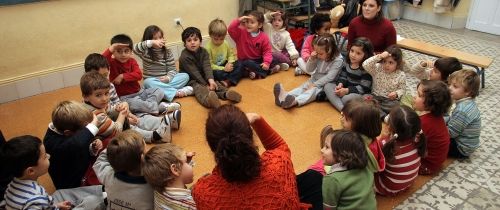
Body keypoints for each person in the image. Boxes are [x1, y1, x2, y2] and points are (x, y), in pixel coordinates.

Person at [192, 105, 308, 209]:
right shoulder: (279, 165)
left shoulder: (203, 193)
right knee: (313, 177)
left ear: (211, 146)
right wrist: (257, 119)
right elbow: (280, 147)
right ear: (250, 136)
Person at [84, 53, 180, 143]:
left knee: (137, 116)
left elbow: (116, 104)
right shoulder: (93, 110)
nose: (105, 98)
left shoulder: (109, 86)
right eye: (99, 95)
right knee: (131, 126)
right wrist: (124, 117)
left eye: (105, 75)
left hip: (118, 115)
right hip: (113, 127)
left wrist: (127, 112)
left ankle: (166, 121)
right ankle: (154, 136)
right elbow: (114, 129)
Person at [1, 135, 104, 209]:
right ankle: (102, 198)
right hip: (42, 203)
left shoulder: (11, 185)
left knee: (60, 192)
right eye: (45, 156)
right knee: (92, 202)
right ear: (31, 171)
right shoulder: (35, 200)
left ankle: (102, 193)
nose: (49, 156)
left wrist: (55, 206)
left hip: (46, 204)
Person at [104, 34, 177, 115]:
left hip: (140, 92)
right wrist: (110, 49)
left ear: (131, 51)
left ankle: (148, 107)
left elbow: (138, 75)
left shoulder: (132, 61)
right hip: (125, 98)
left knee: (159, 90)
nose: (123, 54)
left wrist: (123, 76)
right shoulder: (111, 63)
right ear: (113, 52)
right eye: (119, 51)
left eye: (126, 51)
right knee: (134, 103)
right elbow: (101, 60)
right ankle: (158, 108)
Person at [43, 101, 102, 189]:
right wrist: (93, 126)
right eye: (84, 130)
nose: (85, 133)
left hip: (81, 168)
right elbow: (75, 145)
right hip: (73, 185)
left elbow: (80, 143)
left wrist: (91, 148)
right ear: (68, 133)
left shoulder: (67, 130)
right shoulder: (52, 143)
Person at [273, 34, 343, 109]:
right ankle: (284, 96)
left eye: (320, 54)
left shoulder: (338, 59)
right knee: (303, 87)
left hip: (327, 83)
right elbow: (309, 69)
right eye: (316, 52)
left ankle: (295, 101)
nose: (318, 55)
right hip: (315, 77)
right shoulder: (318, 54)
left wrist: (315, 84)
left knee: (311, 92)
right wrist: (311, 59)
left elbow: (330, 77)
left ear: (330, 51)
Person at [179, 27, 242, 108]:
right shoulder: (184, 56)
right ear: (184, 44)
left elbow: (207, 67)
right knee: (200, 90)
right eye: (189, 40)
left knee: (216, 84)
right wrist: (205, 84)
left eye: (195, 39)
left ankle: (227, 94)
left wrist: (211, 81)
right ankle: (209, 100)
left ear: (200, 41)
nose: (192, 42)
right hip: (192, 79)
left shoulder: (204, 52)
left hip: (203, 75)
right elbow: (194, 73)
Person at [93, 130, 154, 210]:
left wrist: (114, 149)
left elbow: (99, 162)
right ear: (142, 157)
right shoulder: (153, 187)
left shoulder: (109, 176)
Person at [375, 106, 426, 196]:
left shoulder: (384, 143)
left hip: (386, 187)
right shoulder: (418, 139)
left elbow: (373, 165)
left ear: (389, 127)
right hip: (407, 184)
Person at [134, 25, 193, 100]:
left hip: (166, 81)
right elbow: (134, 48)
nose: (159, 40)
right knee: (147, 82)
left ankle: (162, 91)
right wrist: (151, 42)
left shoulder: (167, 52)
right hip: (153, 81)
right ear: (148, 40)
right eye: (155, 38)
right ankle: (176, 92)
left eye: (160, 37)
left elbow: (172, 69)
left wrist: (168, 78)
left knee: (185, 76)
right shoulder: (145, 52)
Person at [321, 130, 376, 209]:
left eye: (326, 147)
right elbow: (373, 191)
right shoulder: (366, 168)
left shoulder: (332, 179)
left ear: (341, 155)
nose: (322, 150)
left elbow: (329, 208)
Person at [323, 37, 374, 111]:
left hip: (358, 93)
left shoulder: (366, 69)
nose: (353, 55)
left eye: (358, 53)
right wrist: (340, 84)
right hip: (345, 89)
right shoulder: (347, 62)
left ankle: (335, 101)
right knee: (328, 86)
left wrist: (347, 90)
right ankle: (342, 109)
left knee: (346, 99)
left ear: (366, 55)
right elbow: (343, 76)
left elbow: (363, 88)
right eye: (352, 51)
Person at [413, 80, 452, 175]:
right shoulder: (436, 115)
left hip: (426, 165)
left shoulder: (424, 123)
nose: (414, 96)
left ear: (431, 103)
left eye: (418, 95)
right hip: (435, 162)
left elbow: (411, 144)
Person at [142, 144, 196, 209]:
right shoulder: (190, 203)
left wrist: (185, 162)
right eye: (186, 162)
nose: (190, 165)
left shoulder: (157, 190)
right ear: (175, 169)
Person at [362, 45, 406, 118]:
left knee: (396, 106)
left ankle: (375, 112)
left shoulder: (401, 75)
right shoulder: (378, 68)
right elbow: (365, 64)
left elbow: (403, 89)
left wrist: (396, 93)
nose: (386, 65)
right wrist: (380, 56)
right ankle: (384, 116)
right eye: (384, 61)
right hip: (375, 97)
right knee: (364, 98)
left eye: (391, 62)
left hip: (389, 101)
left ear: (397, 63)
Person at [228, 10, 273, 79]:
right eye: (247, 22)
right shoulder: (241, 32)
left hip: (257, 61)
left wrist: (266, 62)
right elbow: (230, 29)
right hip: (243, 62)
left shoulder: (264, 37)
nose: (249, 24)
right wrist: (239, 20)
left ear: (260, 25)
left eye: (252, 22)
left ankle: (257, 72)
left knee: (273, 58)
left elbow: (267, 51)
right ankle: (265, 72)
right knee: (237, 66)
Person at [447, 69, 481, 158]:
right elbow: (454, 121)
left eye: (455, 86)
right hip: (468, 144)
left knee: (433, 141)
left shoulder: (462, 110)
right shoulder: (469, 103)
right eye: (449, 84)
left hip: (461, 148)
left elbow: (450, 133)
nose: (449, 88)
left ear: (468, 92)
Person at [206, 18, 242, 87]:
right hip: (217, 69)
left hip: (225, 65)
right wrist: (224, 69)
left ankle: (228, 81)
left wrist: (230, 63)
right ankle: (233, 77)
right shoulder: (207, 48)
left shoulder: (225, 43)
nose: (219, 41)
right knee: (215, 74)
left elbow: (230, 55)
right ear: (210, 35)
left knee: (240, 63)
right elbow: (210, 65)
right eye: (216, 39)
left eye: (222, 39)